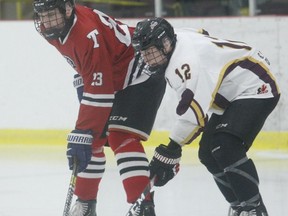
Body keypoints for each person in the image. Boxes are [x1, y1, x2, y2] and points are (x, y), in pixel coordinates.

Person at [132, 17, 280, 216]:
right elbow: (201, 33)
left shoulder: (186, 64)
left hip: (255, 85)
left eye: (150, 52)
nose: (147, 58)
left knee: (225, 146)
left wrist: (170, 150)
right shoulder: (178, 38)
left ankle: (254, 208)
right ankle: (240, 206)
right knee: (207, 153)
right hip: (232, 93)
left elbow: (194, 116)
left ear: (165, 45)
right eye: (143, 52)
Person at [33, 1, 167, 215]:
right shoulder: (53, 29)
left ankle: (142, 206)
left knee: (119, 137)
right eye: (42, 15)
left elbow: (101, 90)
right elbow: (86, 67)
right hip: (110, 74)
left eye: (51, 15)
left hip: (140, 70)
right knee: (91, 141)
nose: (46, 21)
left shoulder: (87, 33)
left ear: (67, 9)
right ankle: (86, 205)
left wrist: (84, 129)